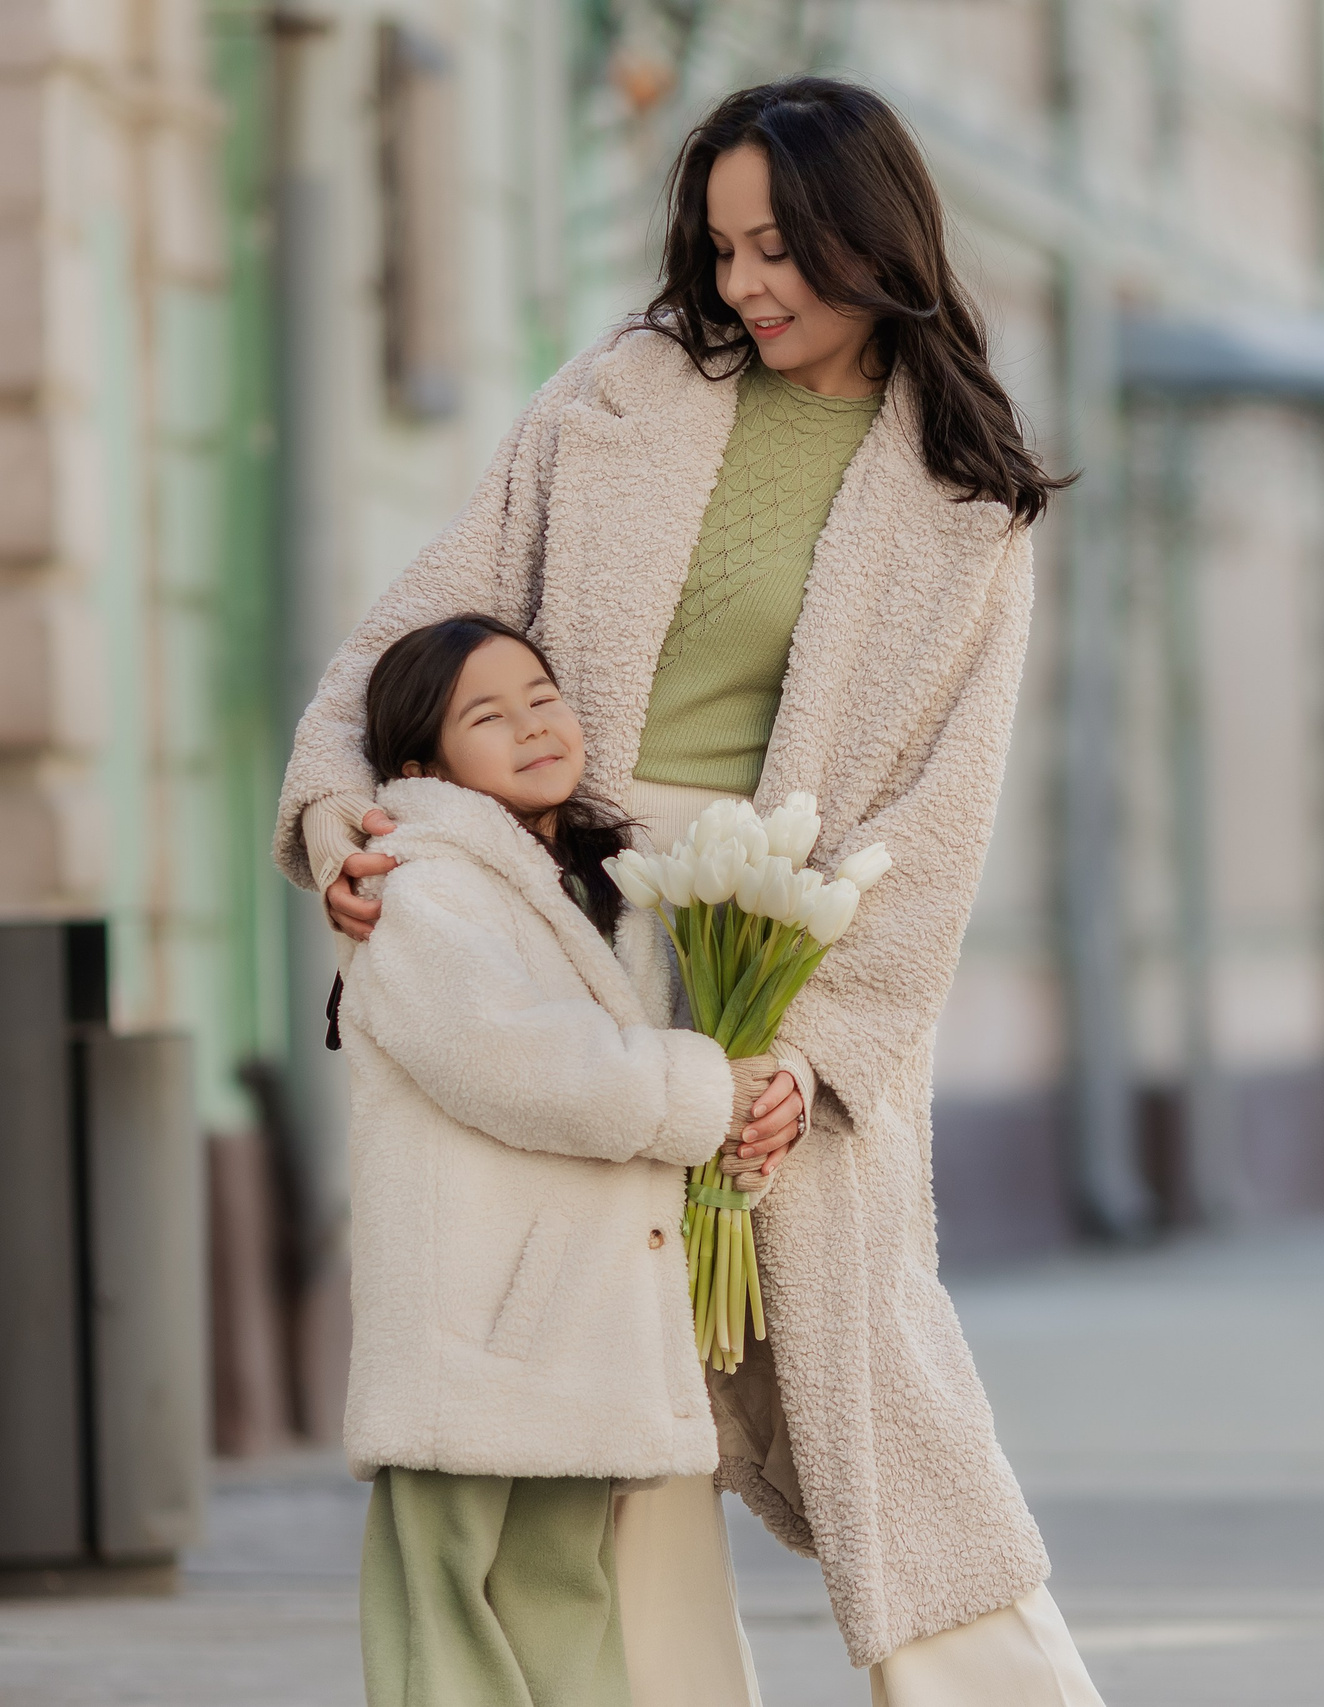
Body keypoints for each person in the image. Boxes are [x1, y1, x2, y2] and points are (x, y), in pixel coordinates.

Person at [276, 76, 1104, 1707]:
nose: (746, 287)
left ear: (875, 236)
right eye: (723, 250)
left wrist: (812, 1057)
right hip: (562, 919)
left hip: (784, 955)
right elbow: (414, 625)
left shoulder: (964, 500)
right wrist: (335, 809)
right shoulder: (622, 397)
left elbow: (938, 821)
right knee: (623, 1364)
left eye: (781, 247)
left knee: (879, 1389)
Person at [340, 615, 781, 1707]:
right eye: (487, 716)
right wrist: (702, 1090)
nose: (534, 725)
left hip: (569, 1327)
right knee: (443, 1615)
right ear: (421, 766)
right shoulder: (422, 888)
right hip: (471, 1330)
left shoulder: (595, 881)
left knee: (563, 1596)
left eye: (542, 694)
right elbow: (522, 1063)